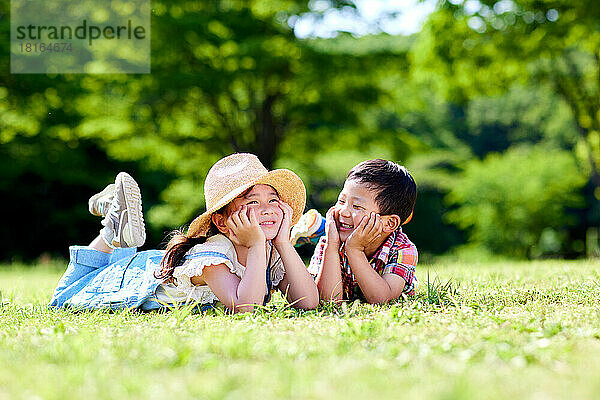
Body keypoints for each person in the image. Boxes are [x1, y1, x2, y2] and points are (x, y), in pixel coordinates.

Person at [50, 153, 318, 313]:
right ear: (223, 223)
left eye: (273, 200)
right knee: (63, 299)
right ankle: (110, 231)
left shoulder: (271, 252)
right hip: (136, 280)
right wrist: (259, 246)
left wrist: (283, 242)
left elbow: (307, 302)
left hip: (157, 263)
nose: (268, 209)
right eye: (252, 203)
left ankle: (113, 225)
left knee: (97, 269)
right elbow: (245, 307)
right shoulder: (214, 255)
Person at [307, 159, 418, 304]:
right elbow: (328, 301)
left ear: (389, 223)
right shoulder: (330, 241)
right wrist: (332, 247)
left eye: (357, 206)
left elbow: (382, 299)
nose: (344, 212)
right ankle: (311, 230)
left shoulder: (403, 250)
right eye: (341, 201)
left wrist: (354, 250)